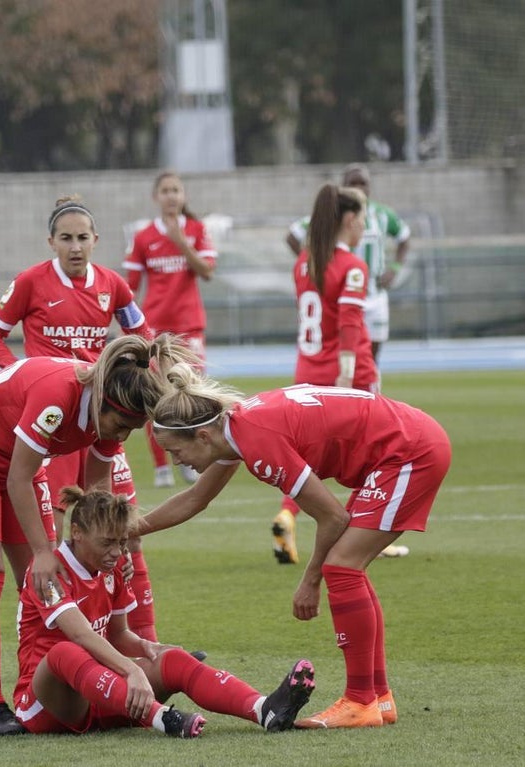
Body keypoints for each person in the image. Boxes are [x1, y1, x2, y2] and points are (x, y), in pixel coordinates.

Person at [139, 372, 451, 729]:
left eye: (175, 451)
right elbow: (196, 498)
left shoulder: (256, 440)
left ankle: (361, 700)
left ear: (203, 435)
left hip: (409, 452)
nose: (176, 461)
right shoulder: (235, 430)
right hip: (406, 444)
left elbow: (333, 518)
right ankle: (377, 698)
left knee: (341, 567)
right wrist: (132, 529)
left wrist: (310, 581)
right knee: (346, 567)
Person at [0, 333, 199, 735]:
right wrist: (43, 549)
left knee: (44, 587)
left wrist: (115, 545)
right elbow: (19, 475)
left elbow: (97, 491)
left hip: (20, 463)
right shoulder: (56, 397)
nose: (122, 435)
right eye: (121, 426)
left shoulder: (108, 412)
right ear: (106, 402)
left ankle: (58, 688)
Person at [0, 194, 164, 645]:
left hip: (101, 420)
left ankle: (146, 642)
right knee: (76, 534)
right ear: (51, 242)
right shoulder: (30, 282)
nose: (75, 246)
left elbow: (144, 335)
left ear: (96, 241)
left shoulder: (113, 285)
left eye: (82, 238)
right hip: (55, 422)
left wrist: (140, 373)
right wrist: (17, 375)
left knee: (123, 530)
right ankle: (75, 636)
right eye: (66, 239)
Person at [14, 485, 316, 737]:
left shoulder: (115, 566)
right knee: (65, 652)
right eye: (107, 543)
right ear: (77, 533)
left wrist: (150, 649)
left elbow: (118, 635)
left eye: (121, 542)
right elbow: (80, 634)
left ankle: (264, 709)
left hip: (103, 693)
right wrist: (131, 669)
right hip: (47, 706)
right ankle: (164, 719)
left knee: (171, 660)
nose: (117, 552)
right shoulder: (48, 574)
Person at [274, 184, 408, 564]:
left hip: (307, 368)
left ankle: (287, 512)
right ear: (349, 219)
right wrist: (347, 379)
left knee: (310, 454)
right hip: (349, 374)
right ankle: (365, 535)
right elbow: (350, 327)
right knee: (375, 453)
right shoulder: (351, 266)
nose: (364, 224)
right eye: (362, 217)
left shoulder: (304, 262)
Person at [122, 171, 217, 489]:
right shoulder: (143, 236)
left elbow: (207, 272)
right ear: (156, 197)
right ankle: (161, 466)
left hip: (190, 327)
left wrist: (181, 244)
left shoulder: (197, 230)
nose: (171, 195)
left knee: (192, 395)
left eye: (176, 190)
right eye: (165, 190)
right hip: (156, 329)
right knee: (158, 396)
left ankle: (190, 459)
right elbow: (129, 288)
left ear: (183, 196)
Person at [286, 164, 412, 366]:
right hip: (342, 295)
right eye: (353, 183)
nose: (359, 187)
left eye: (363, 183)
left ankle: (366, 388)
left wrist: (395, 268)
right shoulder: (333, 215)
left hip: (374, 293)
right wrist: (313, 262)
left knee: (370, 357)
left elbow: (404, 238)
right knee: (344, 351)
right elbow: (293, 235)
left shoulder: (382, 215)